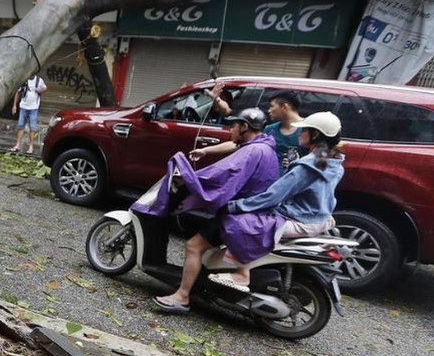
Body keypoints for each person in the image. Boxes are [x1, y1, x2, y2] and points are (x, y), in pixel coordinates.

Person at [138, 108, 279, 313]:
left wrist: (189, 178)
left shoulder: (251, 151)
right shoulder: (267, 149)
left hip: (239, 217)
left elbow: (221, 175)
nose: (230, 129)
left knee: (193, 246)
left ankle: (182, 296)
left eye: (234, 125)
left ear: (245, 127)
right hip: (252, 213)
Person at [210, 112, 346, 290]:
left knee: (238, 222)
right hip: (319, 217)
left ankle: (242, 274)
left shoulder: (307, 166)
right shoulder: (332, 160)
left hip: (300, 219)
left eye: (304, 130)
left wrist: (234, 206)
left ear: (316, 135)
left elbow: (272, 196)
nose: (300, 133)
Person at [189, 92, 305, 170]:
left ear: (284, 107)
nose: (268, 110)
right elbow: (243, 145)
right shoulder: (270, 129)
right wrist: (205, 150)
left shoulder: (310, 130)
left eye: (272, 106)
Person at [11, 74, 47, 155]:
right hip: (23, 107)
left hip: (34, 108)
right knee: (21, 126)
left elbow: (45, 87)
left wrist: (40, 89)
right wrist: (14, 106)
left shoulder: (39, 80)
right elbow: (18, 92)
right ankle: (17, 145)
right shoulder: (24, 80)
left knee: (32, 128)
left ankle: (31, 147)